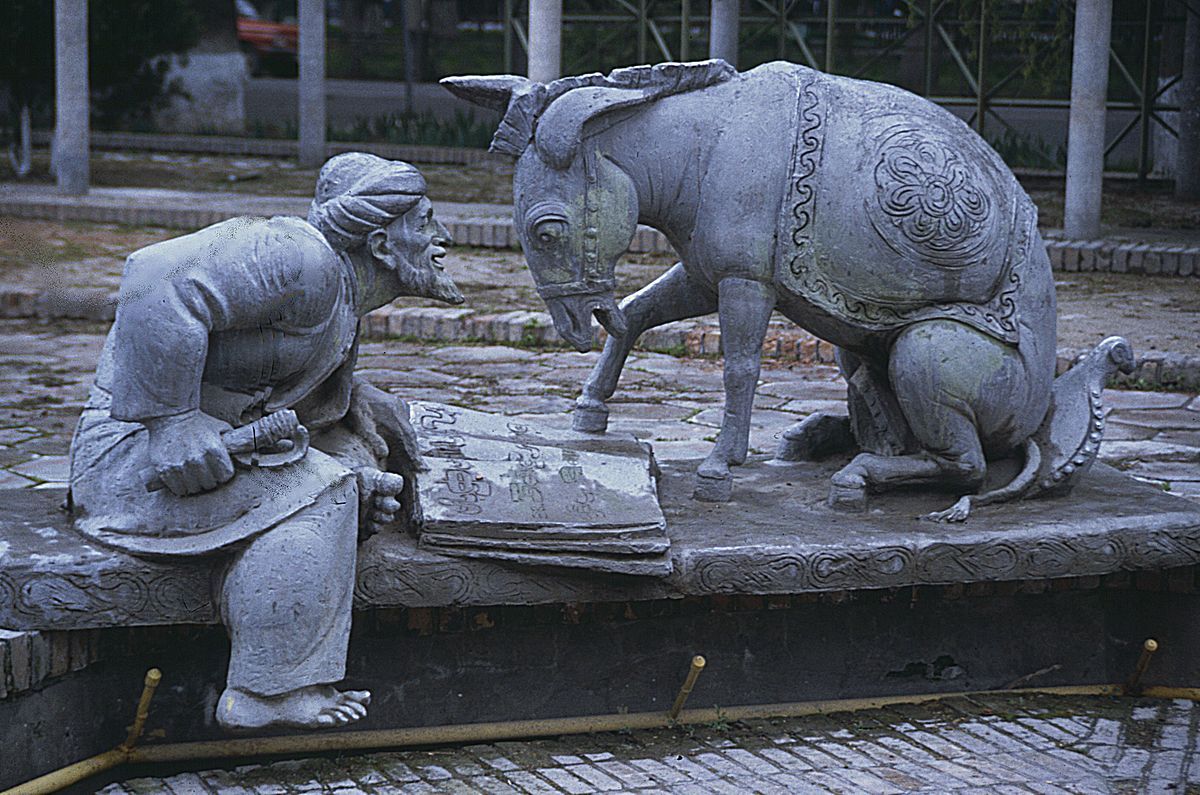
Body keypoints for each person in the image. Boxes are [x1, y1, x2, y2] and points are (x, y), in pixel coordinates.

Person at [68, 153, 463, 731]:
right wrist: (171, 422)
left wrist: (357, 407)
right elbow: (154, 278)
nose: (443, 237)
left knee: (349, 476)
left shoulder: (342, 300)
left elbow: (272, 389)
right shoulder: (303, 260)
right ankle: (267, 694)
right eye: (426, 222)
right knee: (324, 491)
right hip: (137, 459)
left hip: (220, 449)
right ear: (380, 244)